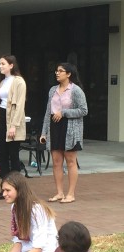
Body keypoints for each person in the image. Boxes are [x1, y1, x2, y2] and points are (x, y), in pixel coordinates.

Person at [40, 63, 88, 204]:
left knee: (71, 161)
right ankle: (59, 192)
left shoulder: (76, 90)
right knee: (56, 162)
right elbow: (48, 112)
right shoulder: (52, 90)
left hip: (70, 128)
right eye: (56, 70)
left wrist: (64, 113)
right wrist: (44, 132)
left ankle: (71, 194)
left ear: (68, 74)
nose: (57, 73)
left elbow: (84, 110)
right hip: (54, 126)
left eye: (61, 71)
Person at [0, 55, 26, 200]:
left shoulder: (19, 82)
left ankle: (18, 188)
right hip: (1, 118)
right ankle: (5, 188)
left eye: (3, 64)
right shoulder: (2, 82)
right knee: (2, 155)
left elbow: (20, 105)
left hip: (12, 120)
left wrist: (13, 126)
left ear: (11, 65)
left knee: (14, 155)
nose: (0, 66)